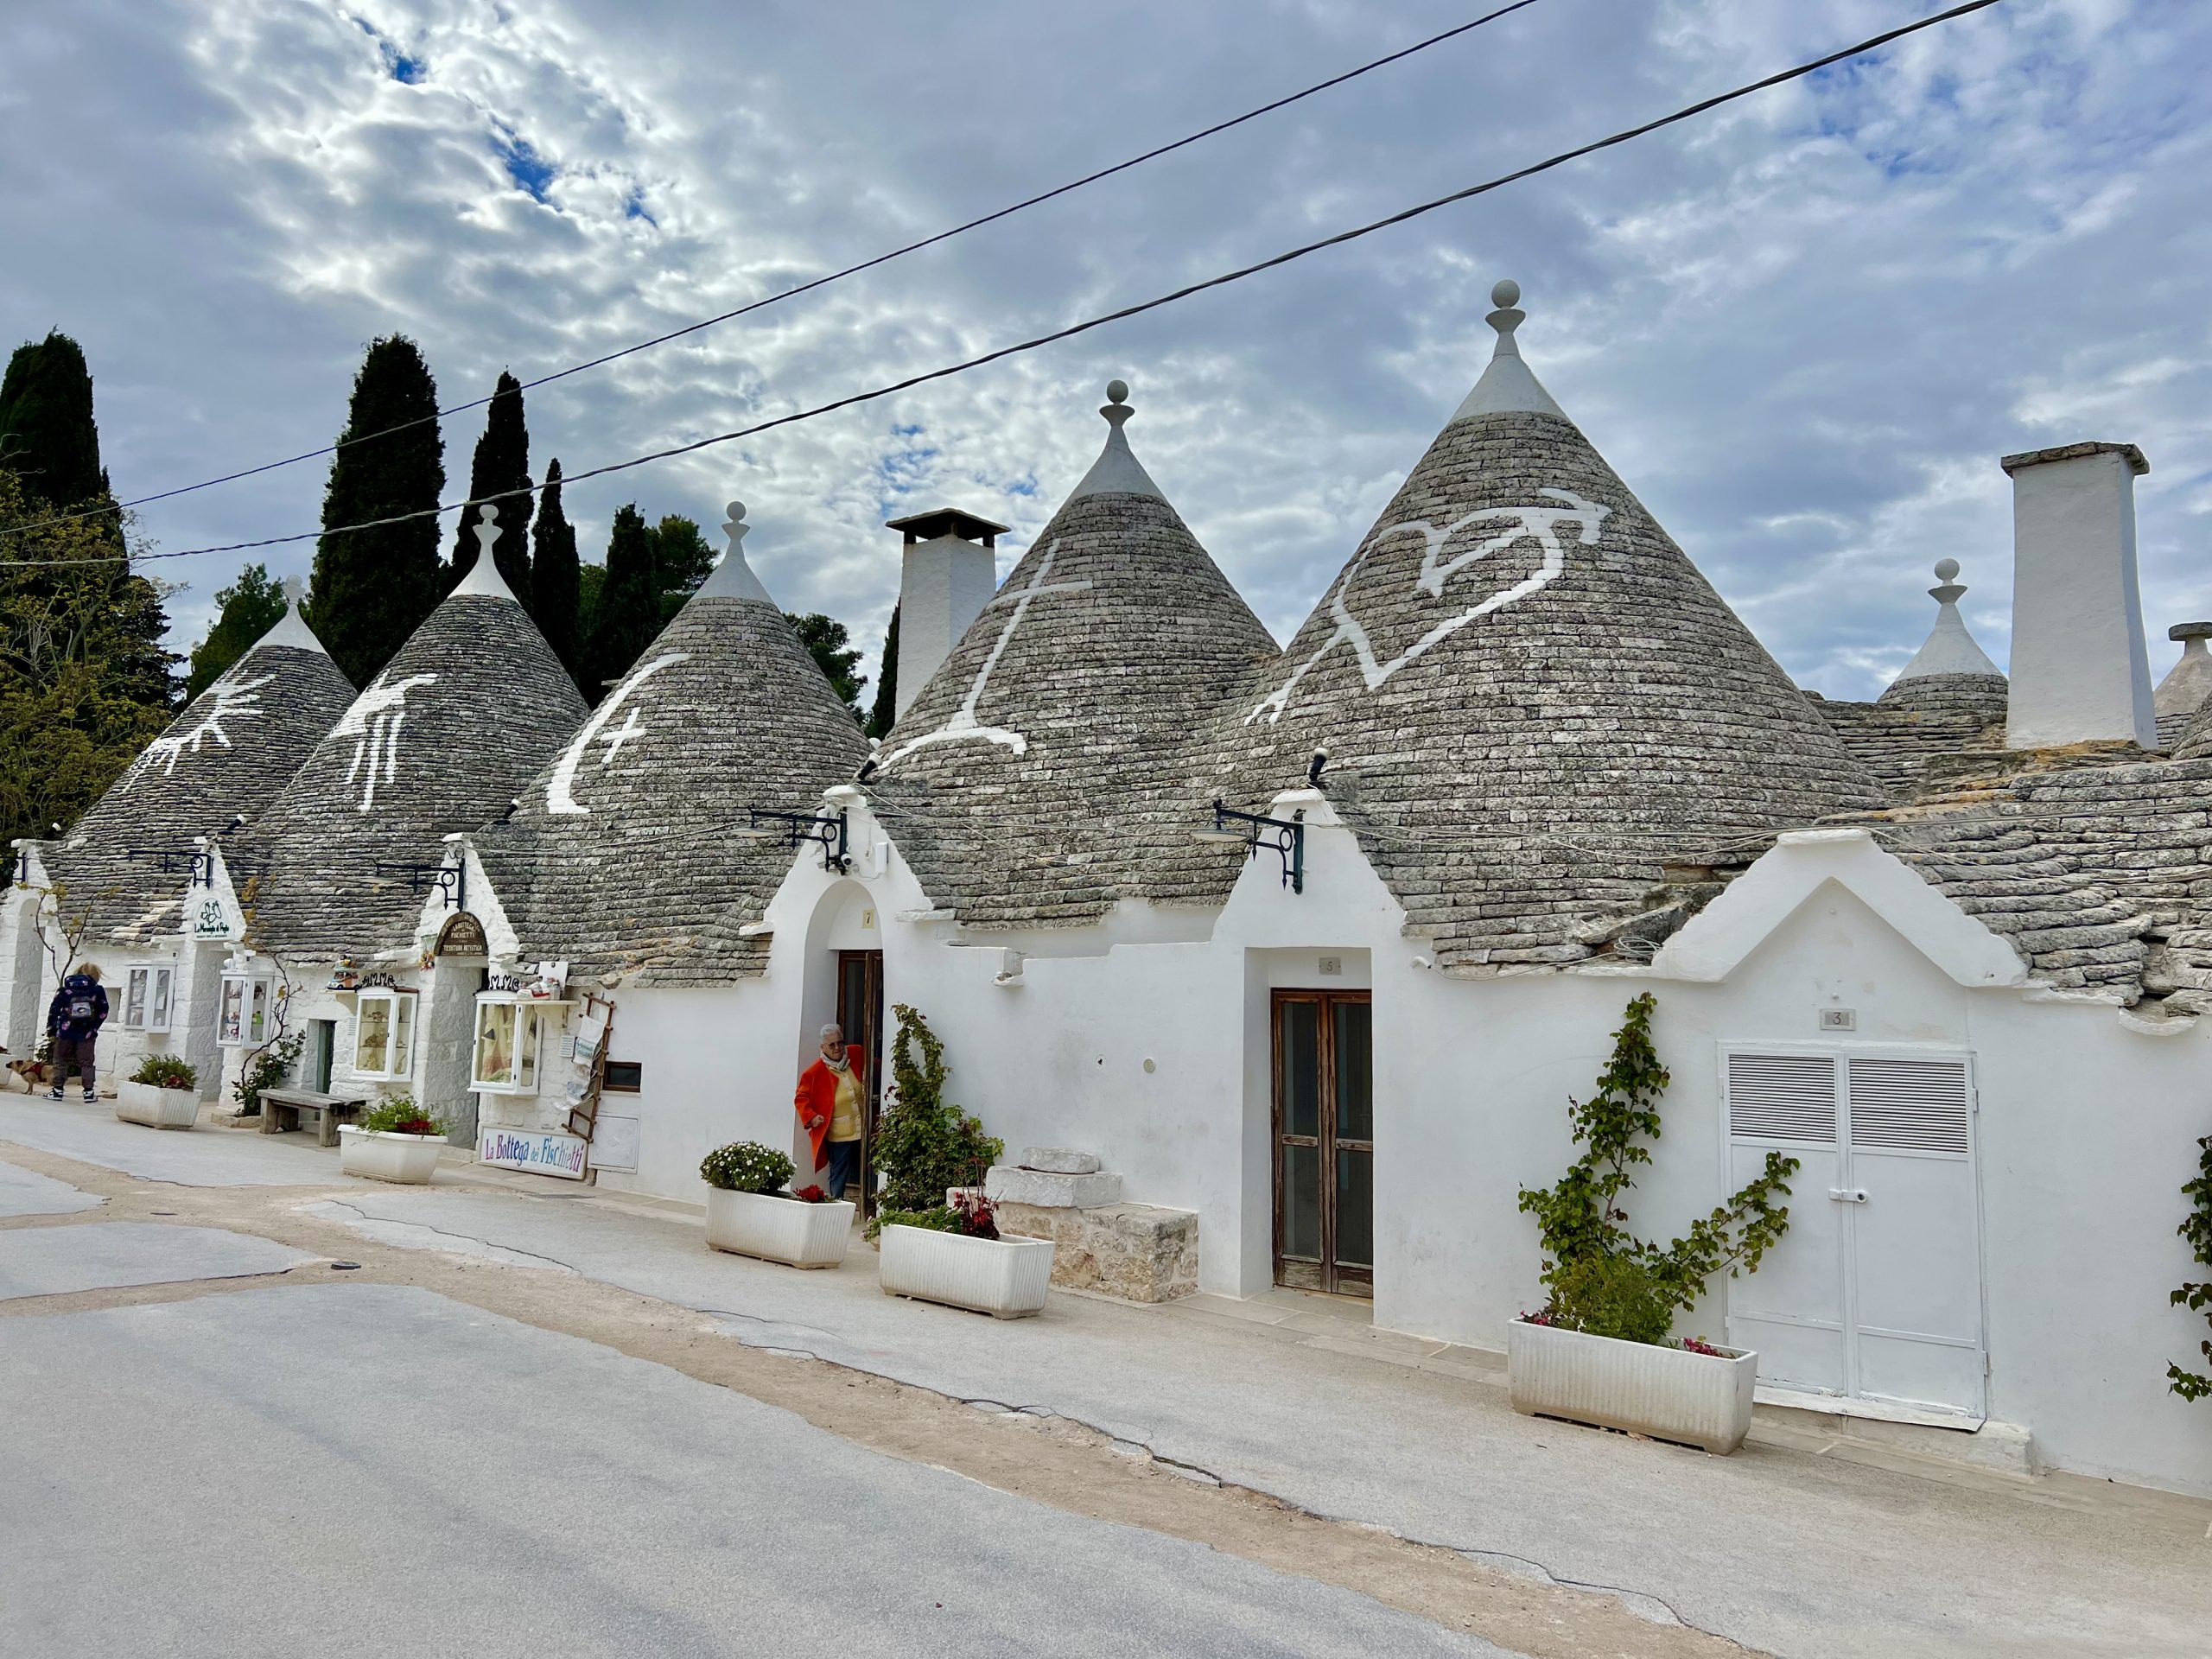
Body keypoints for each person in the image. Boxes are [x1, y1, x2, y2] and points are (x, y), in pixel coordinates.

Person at [794, 1022, 867, 1201]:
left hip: (865, 1128)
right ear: (822, 1048)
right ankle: (837, 1205)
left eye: (840, 1043)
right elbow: (801, 1098)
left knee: (870, 1170)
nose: (837, 1048)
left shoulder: (856, 1053)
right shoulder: (814, 1072)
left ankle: (872, 1204)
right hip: (840, 1133)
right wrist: (812, 1117)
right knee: (839, 1173)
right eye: (831, 1045)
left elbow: (877, 1066)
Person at [48, 962, 109, 1103]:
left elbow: (54, 1010)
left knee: (60, 1060)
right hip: (86, 1033)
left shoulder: (65, 990)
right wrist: (93, 1027)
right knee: (86, 1063)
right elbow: (104, 1011)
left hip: (65, 1031)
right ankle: (88, 1093)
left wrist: (52, 1028)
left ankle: (57, 1090)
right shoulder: (97, 990)